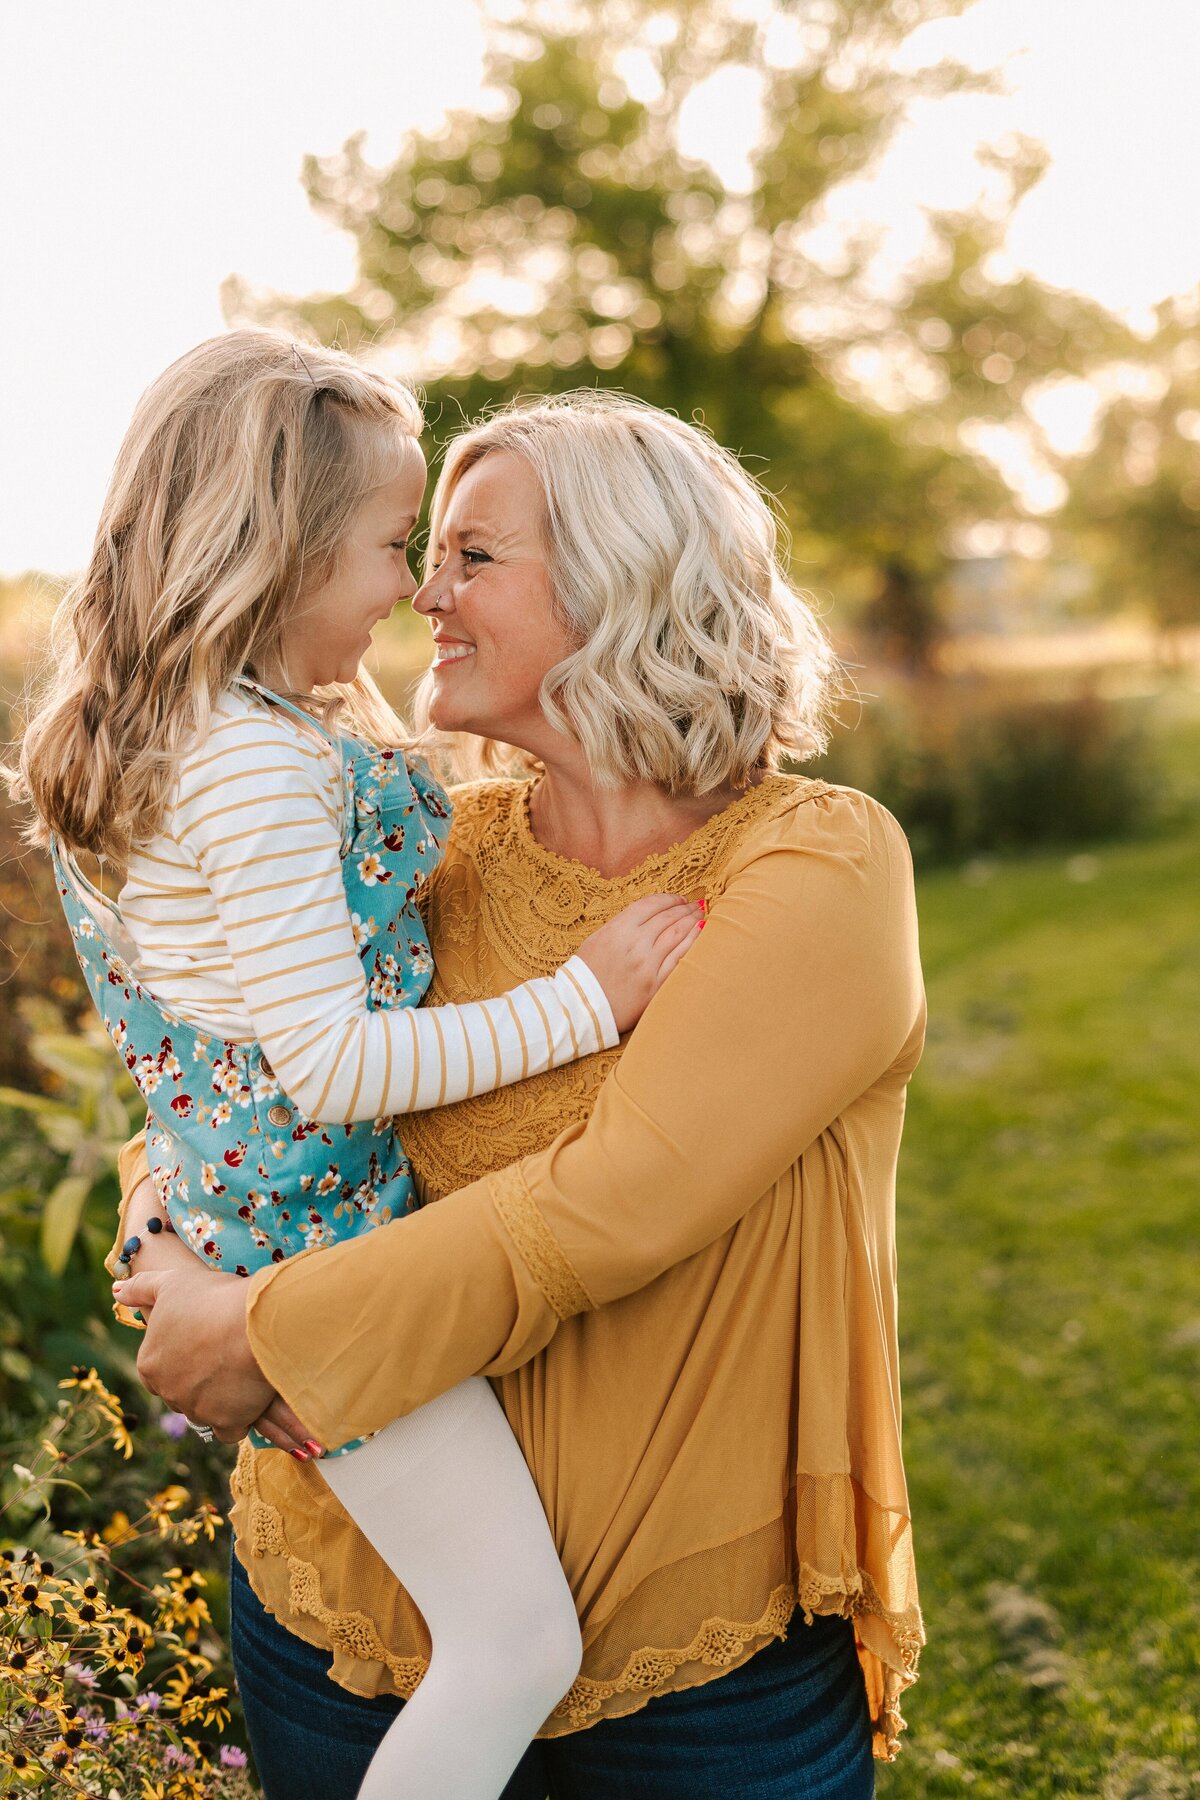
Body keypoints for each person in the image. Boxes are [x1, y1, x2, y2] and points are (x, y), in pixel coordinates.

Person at [113, 390, 927, 1800]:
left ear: (625, 589)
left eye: (476, 557)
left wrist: (263, 1331)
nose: (424, 590)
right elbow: (215, 1076)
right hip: (344, 1633)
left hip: (696, 1683)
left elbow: (605, 1208)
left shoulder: (812, 871)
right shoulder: (431, 846)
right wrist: (159, 1251)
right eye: (426, 550)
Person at [13, 335, 703, 1800]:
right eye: (390, 547)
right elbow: (326, 1063)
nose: (410, 587)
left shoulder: (189, 727)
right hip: (322, 1243)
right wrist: (590, 998)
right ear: (272, 551)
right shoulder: (250, 765)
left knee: (497, 1629)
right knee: (514, 1644)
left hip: (262, 1219)